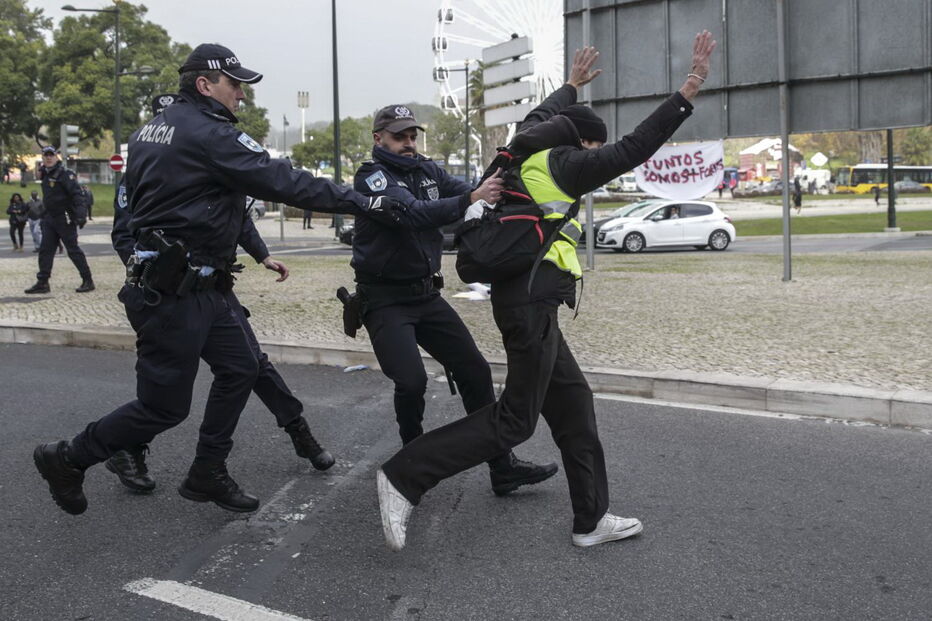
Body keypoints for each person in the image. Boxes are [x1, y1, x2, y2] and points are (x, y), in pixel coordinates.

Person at [375, 32, 716, 550]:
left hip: (532, 303)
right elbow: (633, 149)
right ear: (584, 144)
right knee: (513, 422)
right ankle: (404, 475)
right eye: (594, 148)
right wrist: (686, 92)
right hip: (529, 306)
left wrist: (571, 87)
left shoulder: (524, 149)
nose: (597, 159)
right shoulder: (565, 165)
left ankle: (590, 519)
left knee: (574, 403)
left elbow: (538, 114)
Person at [33, 43, 405, 516]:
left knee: (243, 367)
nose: (242, 96)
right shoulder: (207, 133)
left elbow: (200, 199)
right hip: (174, 293)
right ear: (205, 84)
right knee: (163, 408)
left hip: (201, 285)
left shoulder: (154, 129)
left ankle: (207, 470)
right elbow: (282, 180)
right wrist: (363, 201)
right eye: (236, 85)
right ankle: (69, 456)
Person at [352, 104, 559, 495]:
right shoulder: (372, 178)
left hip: (426, 295)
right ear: (379, 138)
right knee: (411, 382)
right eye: (400, 137)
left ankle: (502, 465)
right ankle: (409, 464)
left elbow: (466, 189)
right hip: (385, 300)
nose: (409, 144)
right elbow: (413, 213)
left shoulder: (426, 170)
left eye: (413, 136)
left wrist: (508, 166)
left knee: (476, 373)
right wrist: (472, 198)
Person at [107, 165, 336, 492]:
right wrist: (156, 274)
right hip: (165, 294)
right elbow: (124, 235)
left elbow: (236, 215)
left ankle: (298, 431)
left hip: (212, 283)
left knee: (253, 362)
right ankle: (124, 446)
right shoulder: (145, 168)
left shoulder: (211, 156)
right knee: (169, 388)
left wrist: (262, 255)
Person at [23, 146, 94, 294]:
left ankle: (88, 280)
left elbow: (77, 195)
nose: (48, 158)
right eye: (46, 155)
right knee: (45, 251)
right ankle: (43, 282)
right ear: (42, 157)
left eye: (51, 155)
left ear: (56, 157)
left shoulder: (65, 175)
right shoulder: (45, 174)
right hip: (50, 218)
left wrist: (81, 214)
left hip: (65, 217)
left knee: (73, 250)